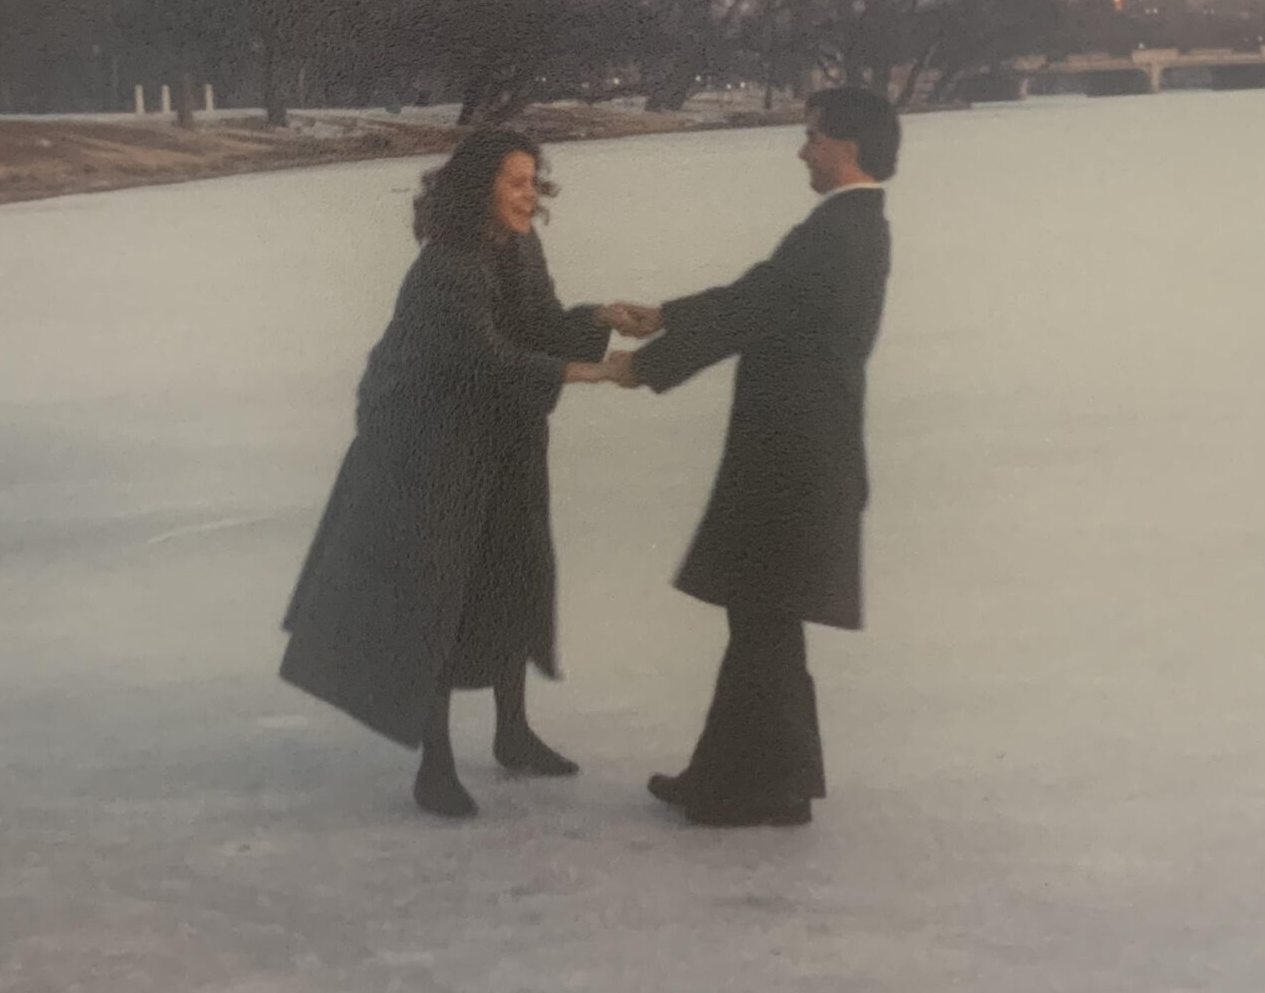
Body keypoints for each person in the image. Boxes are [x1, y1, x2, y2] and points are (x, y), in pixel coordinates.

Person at [280, 128, 655, 819]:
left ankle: (512, 734)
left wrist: (596, 319)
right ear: (479, 189)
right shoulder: (446, 265)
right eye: (515, 182)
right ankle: (435, 765)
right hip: (426, 446)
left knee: (515, 568)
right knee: (441, 594)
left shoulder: (519, 246)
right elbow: (488, 360)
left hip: (498, 431)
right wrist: (599, 371)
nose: (528, 194)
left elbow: (537, 326)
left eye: (532, 181)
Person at [609, 86, 899, 828]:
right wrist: (670, 317)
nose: (802, 150)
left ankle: (747, 787)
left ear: (848, 147)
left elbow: (757, 305)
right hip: (804, 450)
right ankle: (766, 781)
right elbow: (761, 298)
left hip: (792, 457)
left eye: (812, 137)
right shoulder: (853, 226)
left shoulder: (837, 232)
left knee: (762, 619)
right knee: (765, 619)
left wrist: (646, 364)